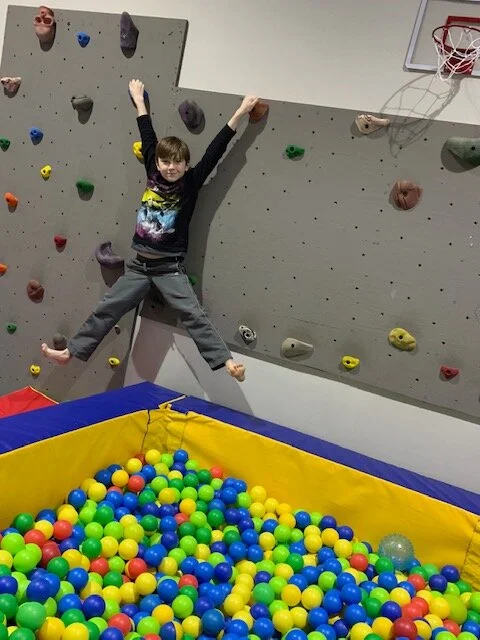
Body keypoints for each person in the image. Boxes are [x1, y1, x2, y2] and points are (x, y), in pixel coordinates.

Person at [42, 79, 259, 382]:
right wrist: (139, 101)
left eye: (177, 163)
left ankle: (227, 362)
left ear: (186, 165)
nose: (170, 167)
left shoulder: (191, 183)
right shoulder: (153, 174)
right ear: (157, 162)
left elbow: (216, 149)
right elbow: (147, 134)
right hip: (139, 267)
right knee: (108, 307)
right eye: (165, 161)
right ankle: (71, 352)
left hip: (169, 269)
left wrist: (240, 112)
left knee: (192, 313)